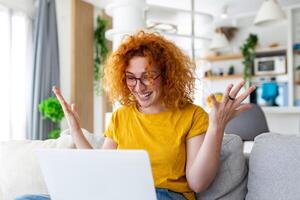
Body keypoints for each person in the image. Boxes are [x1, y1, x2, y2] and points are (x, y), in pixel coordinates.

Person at [16, 30, 255, 200]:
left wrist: (216, 127)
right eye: (131, 77)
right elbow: (101, 169)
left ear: (167, 75)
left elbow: (198, 182)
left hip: (166, 196)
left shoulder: (192, 115)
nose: (139, 86)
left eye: (148, 76)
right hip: (116, 194)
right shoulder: (121, 116)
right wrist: (76, 129)